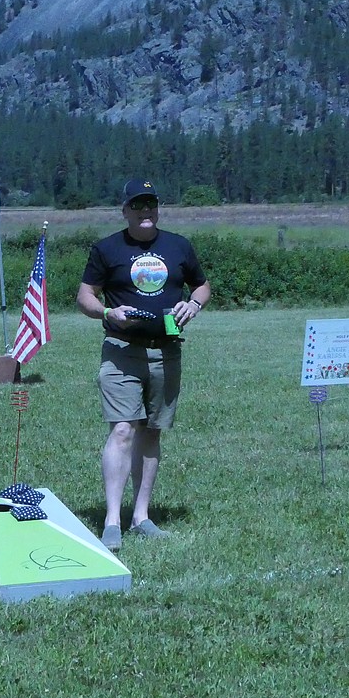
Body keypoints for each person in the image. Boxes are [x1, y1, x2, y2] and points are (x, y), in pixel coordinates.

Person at [76, 179, 211, 552]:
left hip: (166, 351)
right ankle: (111, 521)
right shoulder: (107, 248)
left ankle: (142, 516)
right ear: (125, 210)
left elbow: (202, 286)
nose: (145, 211)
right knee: (123, 429)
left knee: (151, 431)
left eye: (150, 203)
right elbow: (85, 296)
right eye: (137, 205)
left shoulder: (178, 246)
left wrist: (194, 305)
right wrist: (107, 311)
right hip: (122, 349)